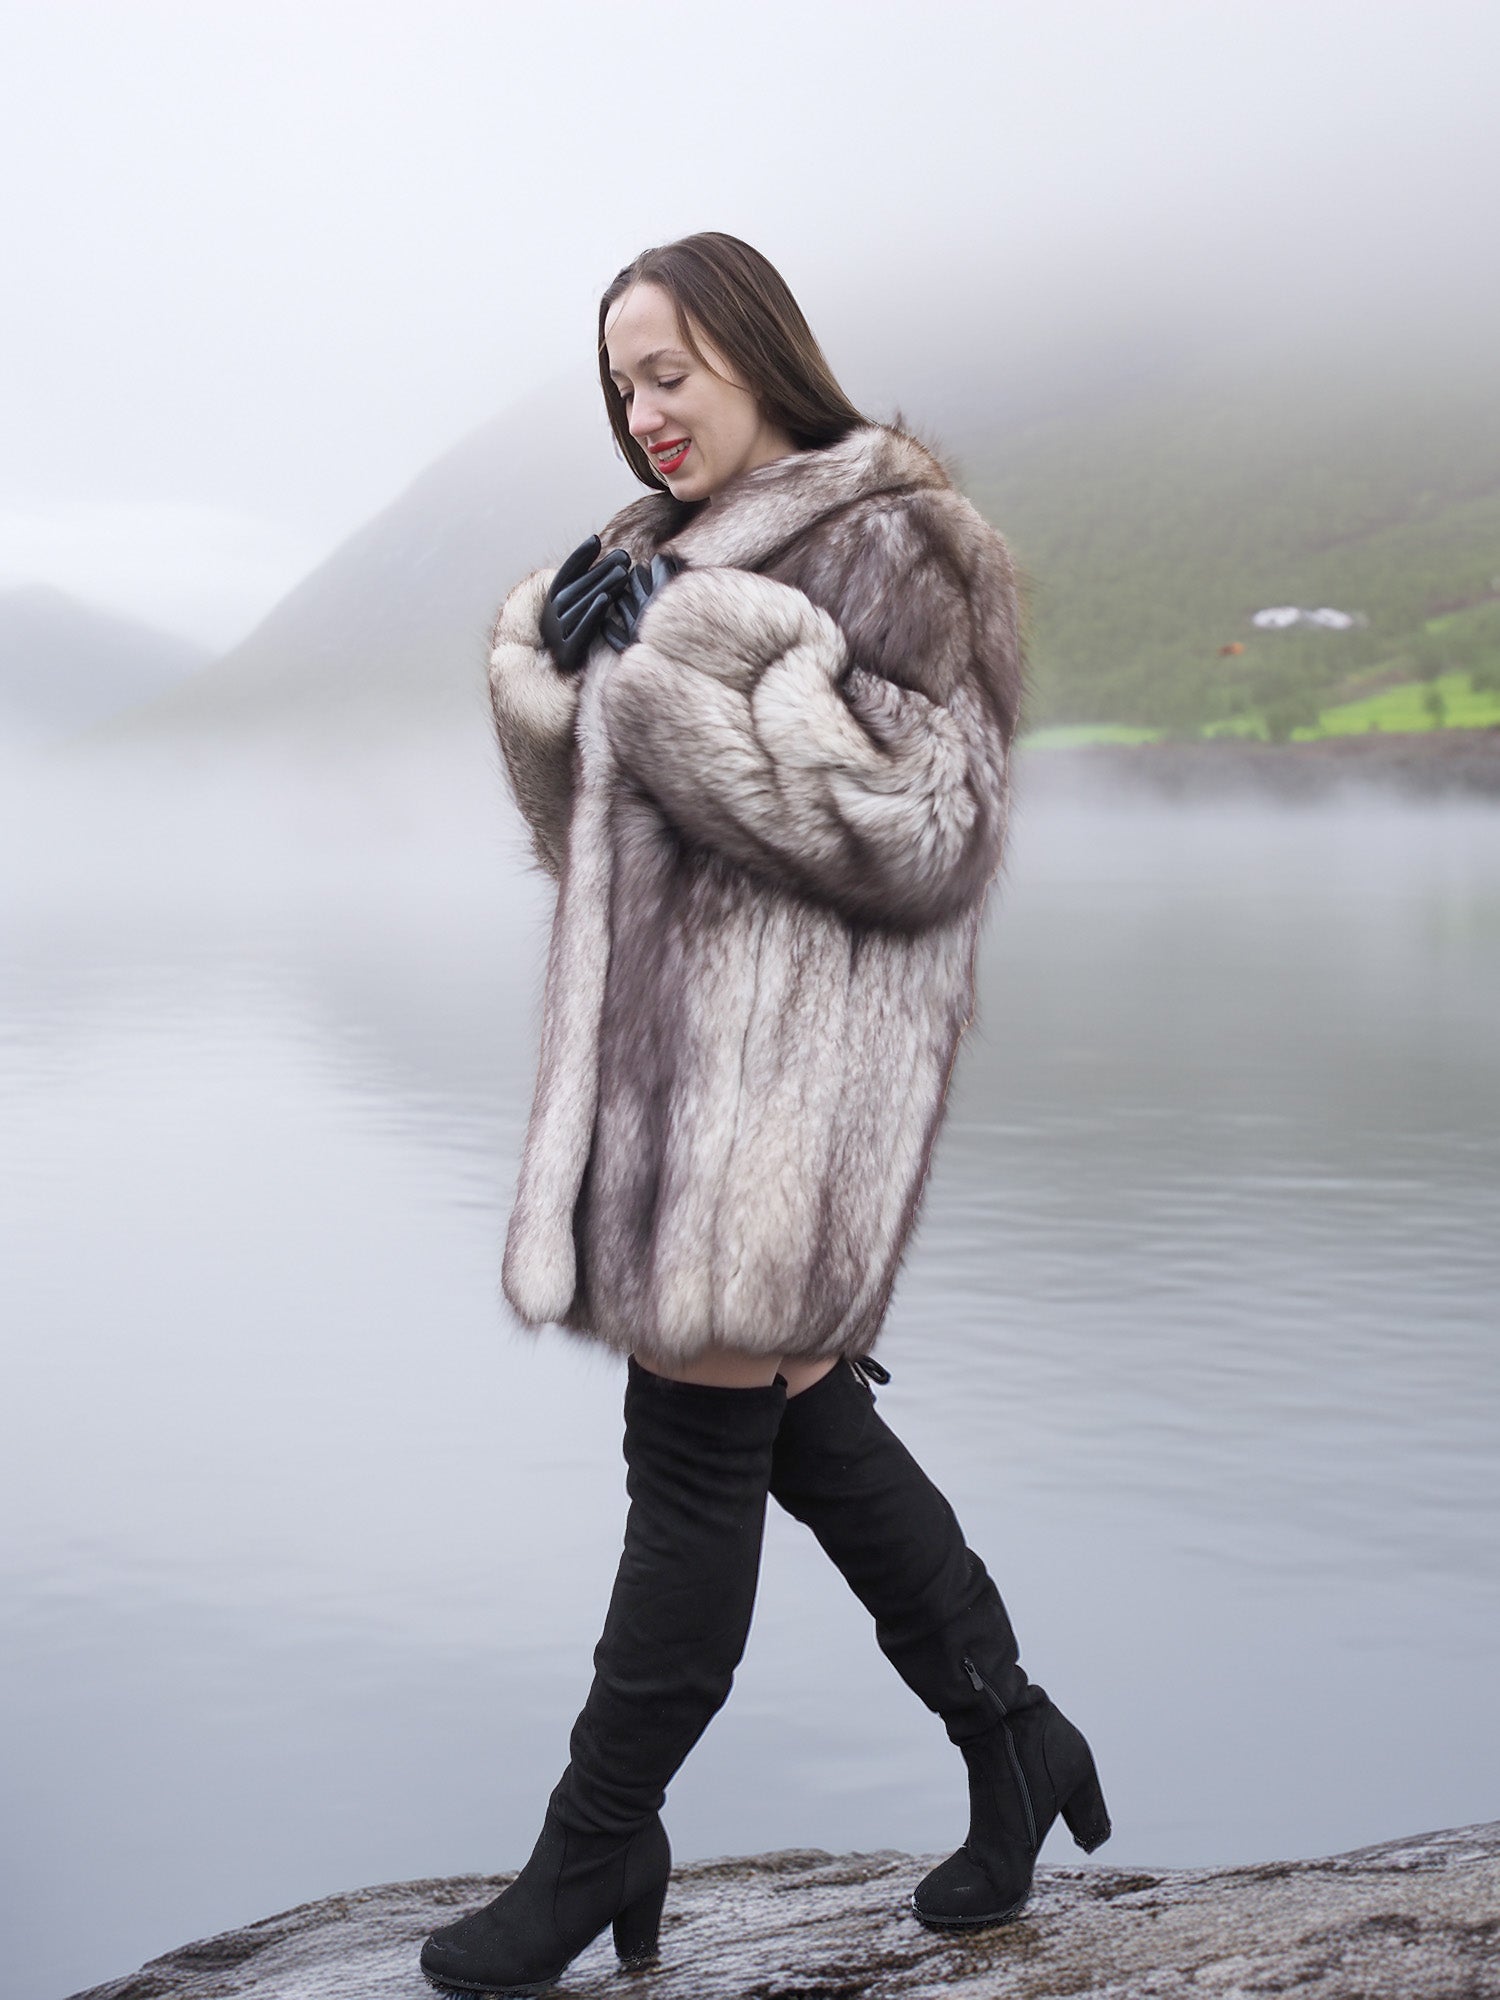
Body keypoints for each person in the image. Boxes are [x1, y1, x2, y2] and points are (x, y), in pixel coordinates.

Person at [420, 232, 1110, 1996]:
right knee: (806, 1434)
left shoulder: (909, 543)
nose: (643, 414)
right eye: (620, 384)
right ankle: (1011, 1737)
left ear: (755, 352)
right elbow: (586, 831)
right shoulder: (639, 555)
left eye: (671, 373)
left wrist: (691, 669)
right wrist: (555, 692)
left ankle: (594, 1848)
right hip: (671, 1082)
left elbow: (926, 826)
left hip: (794, 1091)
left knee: (691, 1462)